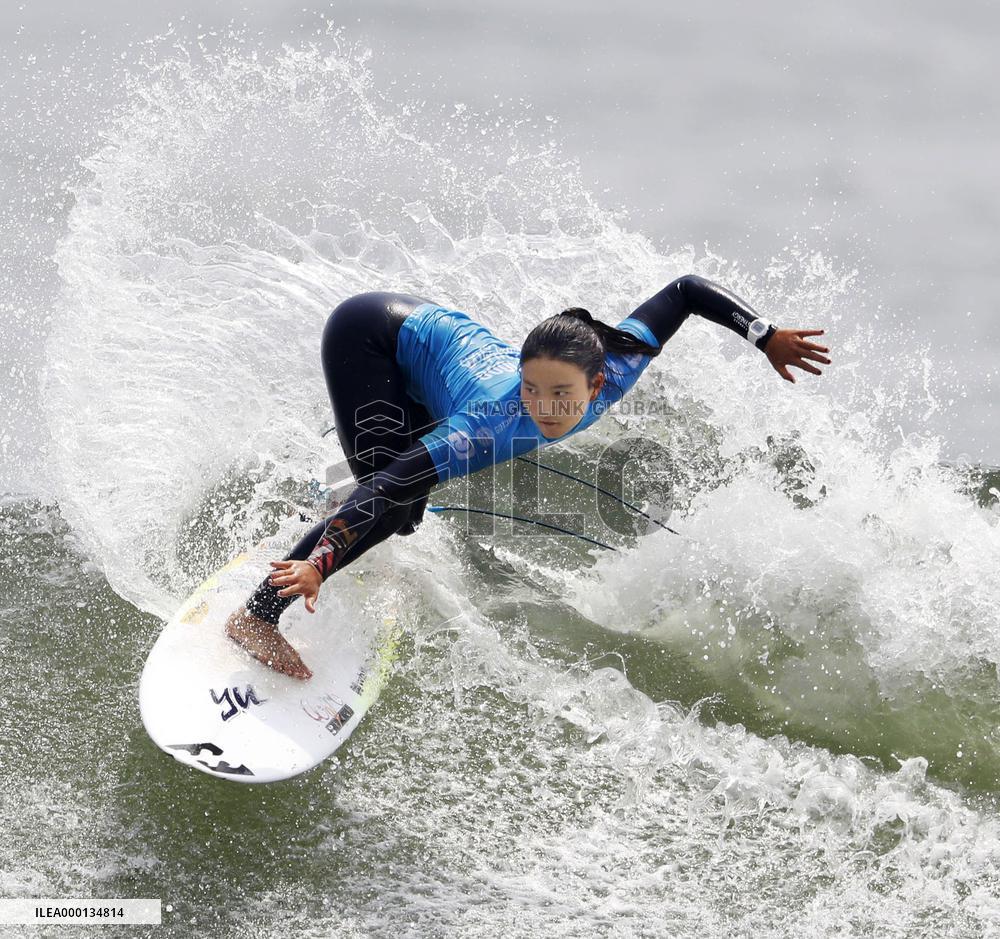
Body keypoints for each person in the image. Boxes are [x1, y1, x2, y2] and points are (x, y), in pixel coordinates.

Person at [225, 278, 831, 680]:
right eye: (530, 387)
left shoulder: (618, 360)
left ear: (596, 386)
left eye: (560, 394)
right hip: (370, 335)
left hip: (425, 356)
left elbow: (686, 292)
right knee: (396, 504)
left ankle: (339, 495)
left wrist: (764, 335)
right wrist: (319, 565)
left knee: (398, 495)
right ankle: (256, 615)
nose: (543, 405)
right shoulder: (492, 424)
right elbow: (385, 491)